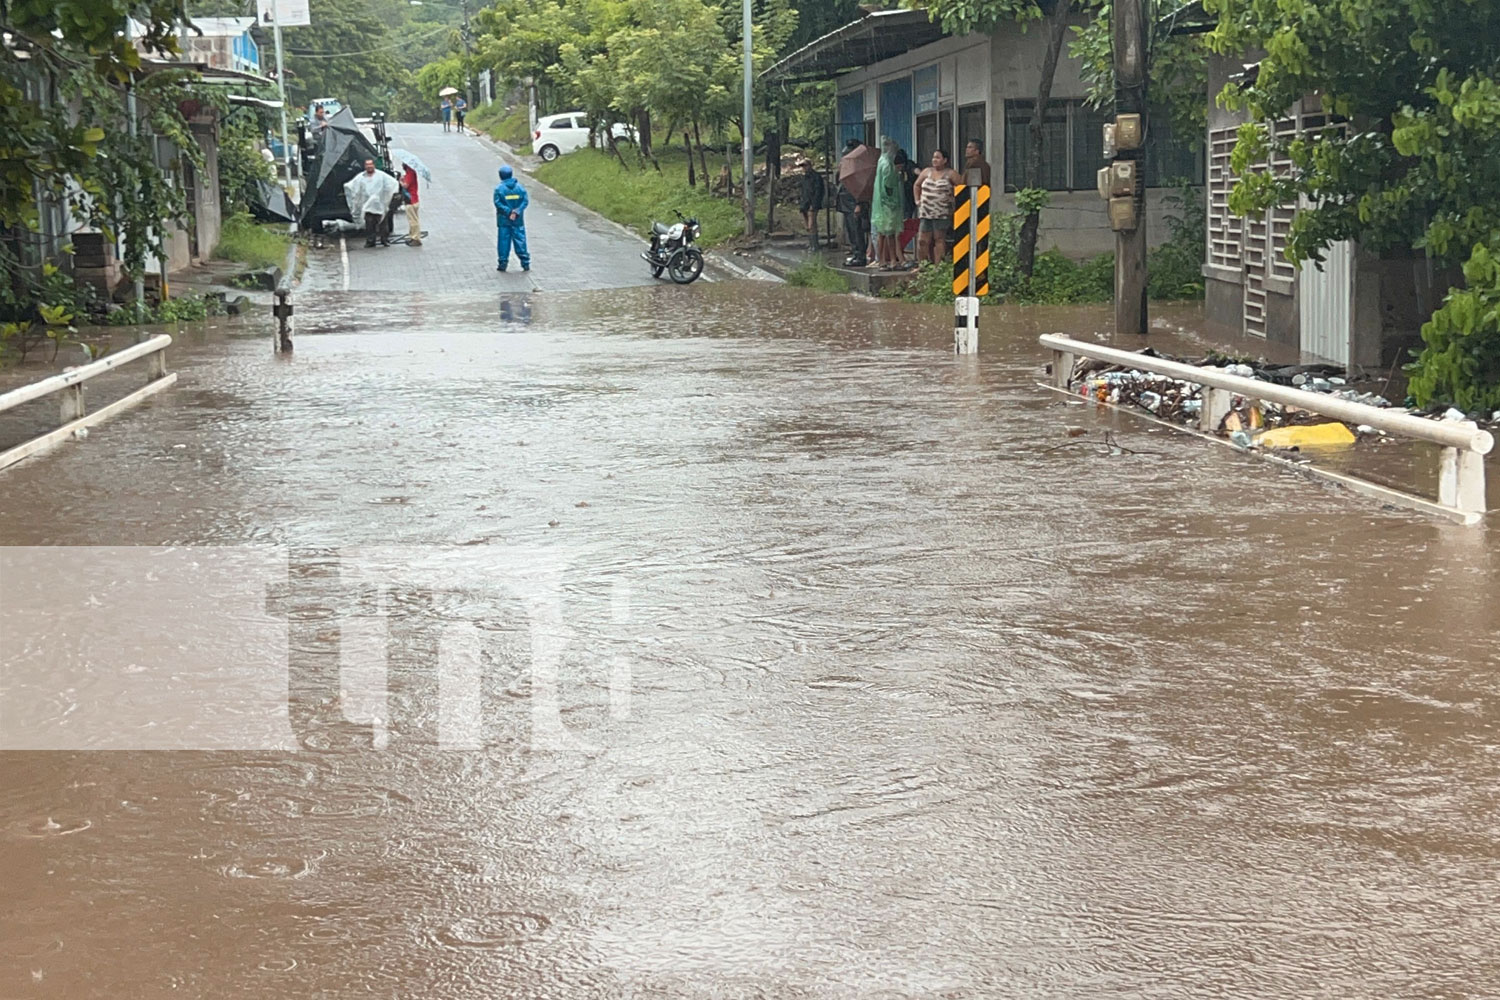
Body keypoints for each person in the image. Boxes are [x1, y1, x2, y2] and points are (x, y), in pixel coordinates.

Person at [914, 147, 963, 265]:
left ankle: (939, 266)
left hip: (942, 213)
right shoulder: (926, 172)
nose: (934, 160)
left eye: (938, 157)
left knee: (939, 239)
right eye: (933, 157)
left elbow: (962, 189)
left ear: (945, 160)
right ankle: (923, 265)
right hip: (926, 212)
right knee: (922, 240)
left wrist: (953, 201)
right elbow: (917, 185)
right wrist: (917, 200)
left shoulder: (951, 174)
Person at [344, 158, 399, 248]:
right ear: (365, 166)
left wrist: (386, 196)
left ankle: (384, 240)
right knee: (369, 224)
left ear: (374, 165)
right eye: (367, 165)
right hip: (367, 205)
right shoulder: (361, 177)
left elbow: (391, 183)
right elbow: (353, 186)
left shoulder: (381, 175)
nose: (369, 166)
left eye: (371, 164)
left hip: (380, 203)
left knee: (383, 223)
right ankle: (370, 241)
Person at [870, 137, 903, 270]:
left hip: (879, 203)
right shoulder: (888, 165)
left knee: (880, 233)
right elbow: (888, 186)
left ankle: (881, 260)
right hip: (888, 204)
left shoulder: (880, 161)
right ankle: (893, 261)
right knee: (889, 232)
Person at [493, 164, 530, 272]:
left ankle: (503, 263)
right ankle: (525, 262)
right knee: (520, 240)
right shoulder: (520, 188)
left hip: (504, 220)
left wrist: (509, 212)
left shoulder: (499, 189)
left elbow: (498, 203)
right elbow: (525, 201)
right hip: (518, 220)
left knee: (504, 242)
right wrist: (517, 211)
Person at [796, 157, 824, 252]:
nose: (804, 168)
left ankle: (814, 245)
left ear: (810, 165)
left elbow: (818, 191)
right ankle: (811, 243)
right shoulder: (804, 178)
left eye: (805, 165)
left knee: (812, 224)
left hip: (813, 203)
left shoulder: (816, 177)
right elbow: (803, 191)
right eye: (802, 166)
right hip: (805, 203)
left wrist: (814, 203)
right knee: (807, 225)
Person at [400, 160, 422, 247]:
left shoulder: (410, 172)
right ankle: (413, 237)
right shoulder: (411, 173)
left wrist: (400, 181)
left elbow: (405, 185)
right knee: (414, 219)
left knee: (413, 221)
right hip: (414, 199)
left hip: (410, 200)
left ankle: (415, 238)